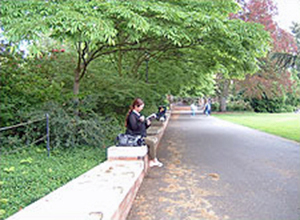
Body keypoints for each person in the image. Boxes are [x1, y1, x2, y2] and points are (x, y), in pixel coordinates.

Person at [125, 98, 163, 167]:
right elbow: (134, 128)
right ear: (136, 106)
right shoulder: (132, 116)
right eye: (141, 107)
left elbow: (142, 127)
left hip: (140, 135)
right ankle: (153, 160)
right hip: (135, 137)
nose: (142, 109)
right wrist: (141, 121)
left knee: (153, 140)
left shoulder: (137, 115)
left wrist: (147, 123)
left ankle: (153, 160)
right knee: (151, 142)